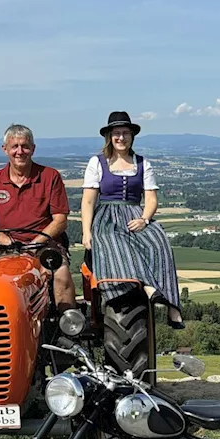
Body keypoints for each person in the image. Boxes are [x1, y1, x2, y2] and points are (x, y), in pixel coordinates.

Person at [80, 111, 184, 328]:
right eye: (116, 133)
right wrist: (87, 232)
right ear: (109, 136)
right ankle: (147, 287)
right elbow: (89, 201)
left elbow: (152, 199)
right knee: (112, 241)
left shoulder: (143, 163)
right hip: (107, 216)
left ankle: (172, 305)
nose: (121, 138)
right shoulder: (97, 162)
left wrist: (145, 220)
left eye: (125, 133)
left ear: (132, 136)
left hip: (136, 214)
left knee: (159, 242)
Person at [0, 124, 76, 310]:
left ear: (33, 149)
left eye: (25, 146)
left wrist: (35, 244)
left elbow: (60, 220)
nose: (19, 152)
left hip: (43, 244)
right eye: (14, 146)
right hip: (5, 246)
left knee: (60, 273)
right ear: (5, 149)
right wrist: (3, 240)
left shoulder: (50, 176)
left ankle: (68, 325)